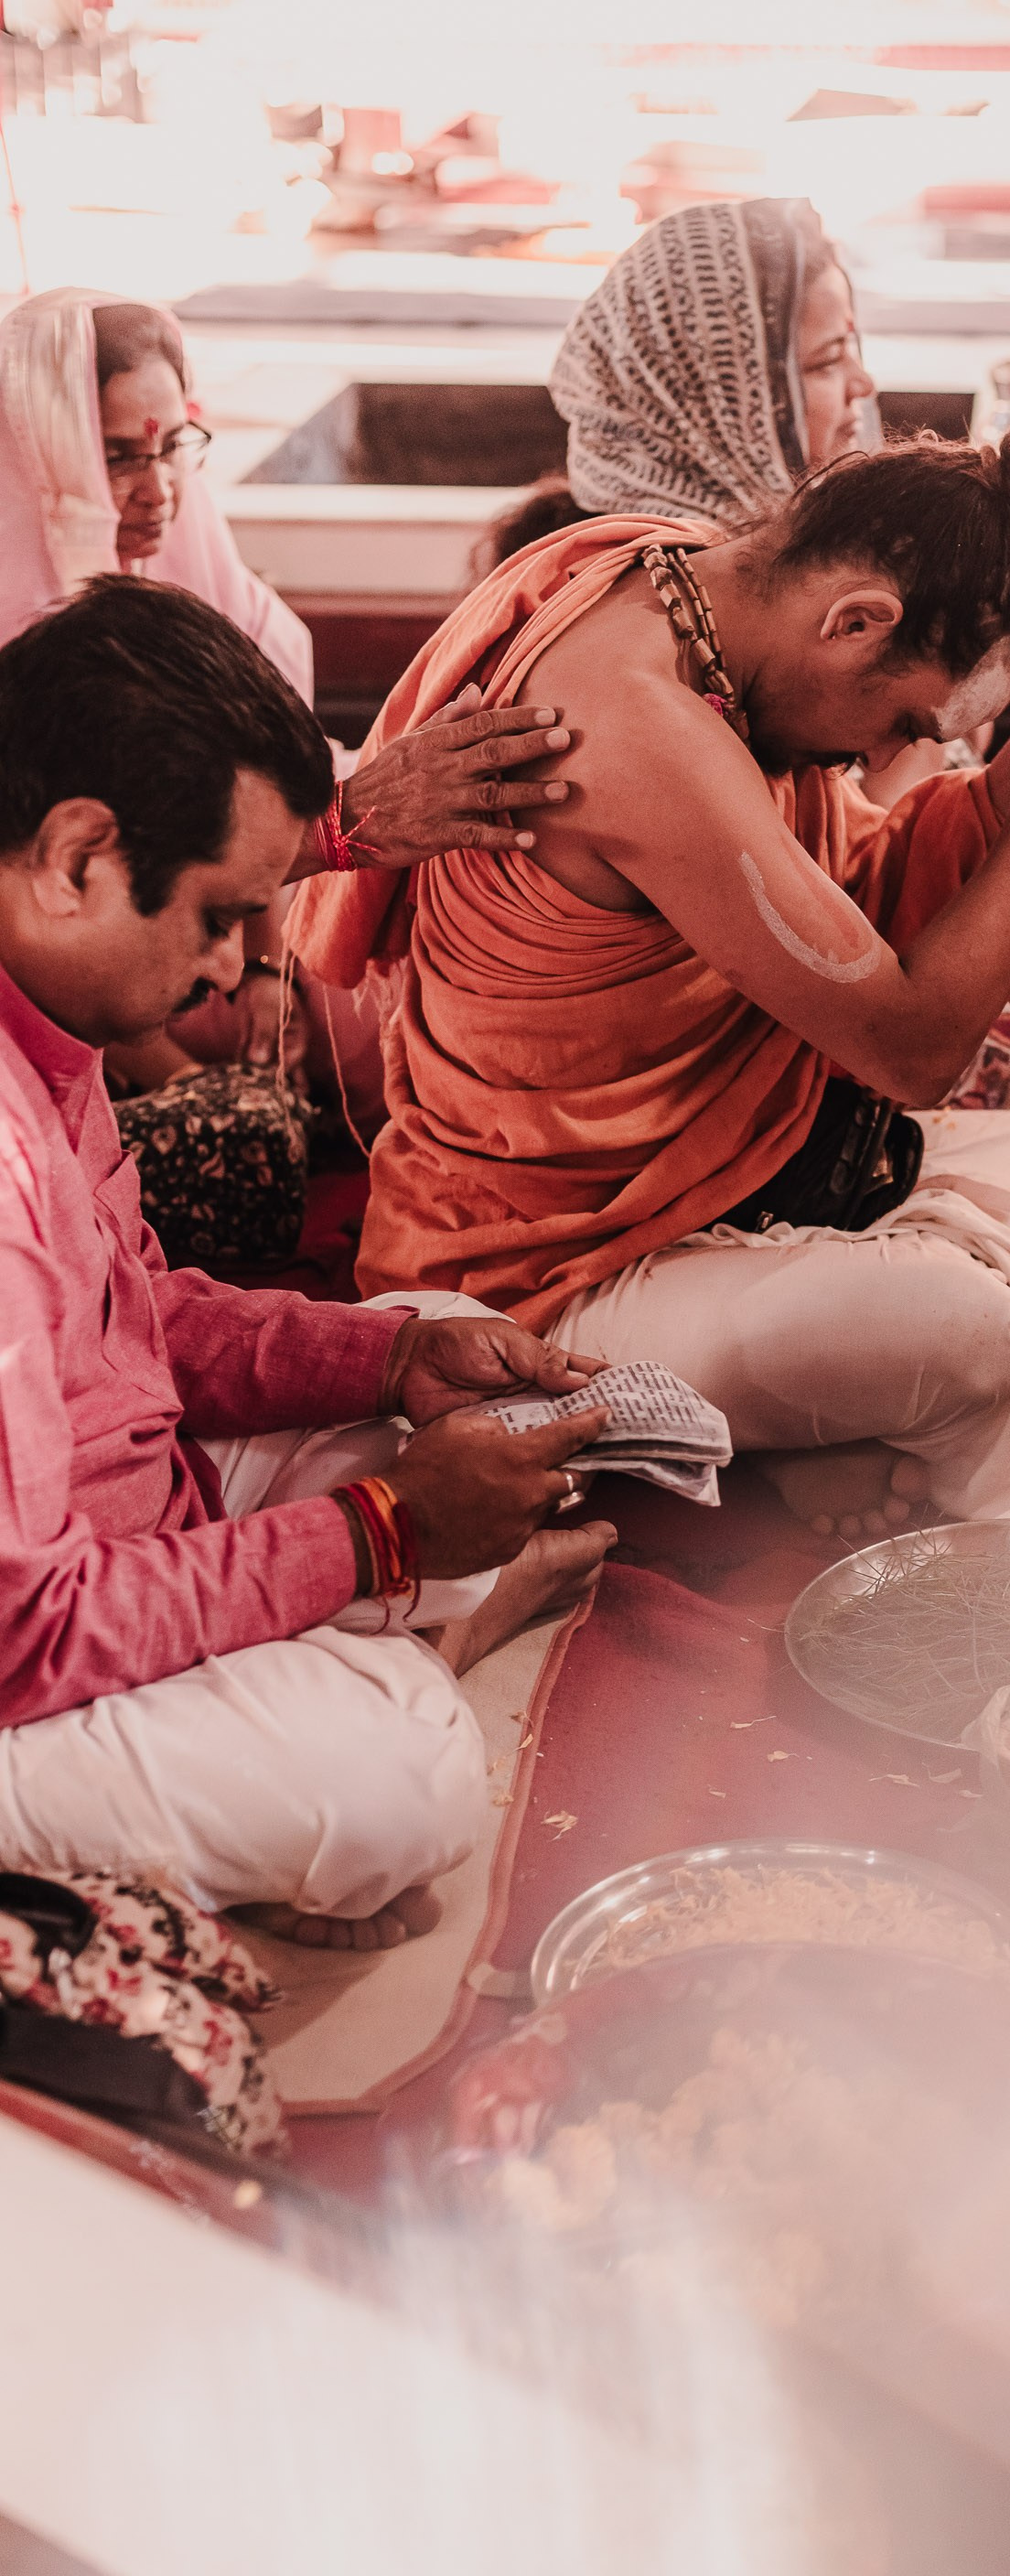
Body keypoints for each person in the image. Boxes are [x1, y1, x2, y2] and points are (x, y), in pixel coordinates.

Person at [291, 427, 1010, 1536]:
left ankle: (815, 1450)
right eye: (904, 723)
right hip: (541, 1290)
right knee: (969, 1330)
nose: (888, 761)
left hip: (731, 1184)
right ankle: (976, 1541)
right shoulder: (632, 728)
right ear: (854, 622)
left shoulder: (677, 575)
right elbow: (911, 1051)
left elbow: (859, 881)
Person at [0, 577, 618, 1950]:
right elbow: (24, 1635)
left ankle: (327, 1666)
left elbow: (133, 1318)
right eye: (221, 914)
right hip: (22, 1657)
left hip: (120, 1522)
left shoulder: (48, 1013)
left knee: (458, 1370)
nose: (233, 970)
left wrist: (391, 1356)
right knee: (403, 1780)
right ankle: (351, 1676)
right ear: (78, 855)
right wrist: (378, 1533)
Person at [539, 198, 1010, 1179]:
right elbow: (845, 902)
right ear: (730, 390)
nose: (864, 381)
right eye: (829, 360)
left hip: (848, 936)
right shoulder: (669, 618)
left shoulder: (778, 551)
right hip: (747, 1031)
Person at [0, 286, 587, 1225]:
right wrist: (204, 1085)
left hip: (244, 924)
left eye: (171, 447)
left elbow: (262, 809)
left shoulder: (193, 581)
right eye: (116, 456)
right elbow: (69, 940)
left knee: (437, 954)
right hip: (122, 999)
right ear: (41, 457)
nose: (157, 489)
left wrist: (271, 981)